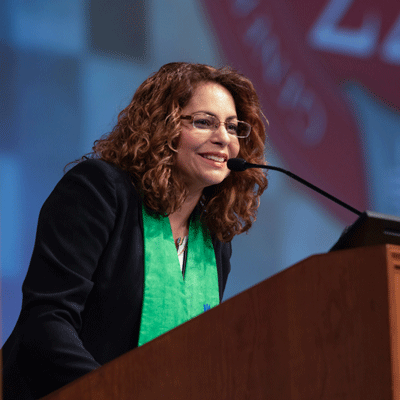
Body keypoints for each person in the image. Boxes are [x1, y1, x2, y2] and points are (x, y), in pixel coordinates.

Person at [2, 62, 268, 399]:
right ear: (163, 126)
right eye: (204, 122)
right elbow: (46, 323)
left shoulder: (212, 237)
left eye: (232, 127)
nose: (223, 138)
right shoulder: (98, 191)